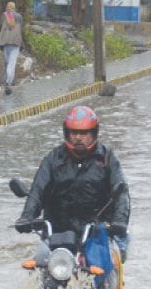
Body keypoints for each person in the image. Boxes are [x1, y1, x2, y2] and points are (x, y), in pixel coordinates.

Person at [15, 106, 131, 261]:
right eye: (74, 133)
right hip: (57, 233)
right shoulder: (53, 159)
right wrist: (26, 217)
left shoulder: (107, 159)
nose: (78, 137)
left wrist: (119, 222)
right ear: (67, 133)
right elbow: (38, 190)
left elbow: (121, 192)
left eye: (84, 133)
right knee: (41, 260)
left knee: (104, 266)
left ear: (93, 133)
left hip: (96, 233)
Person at [0, 1, 23, 95]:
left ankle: (6, 81)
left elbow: (1, 27)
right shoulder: (19, 17)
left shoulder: (3, 16)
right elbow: (21, 29)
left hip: (5, 42)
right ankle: (8, 83)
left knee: (7, 62)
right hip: (15, 42)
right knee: (11, 64)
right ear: (14, 7)